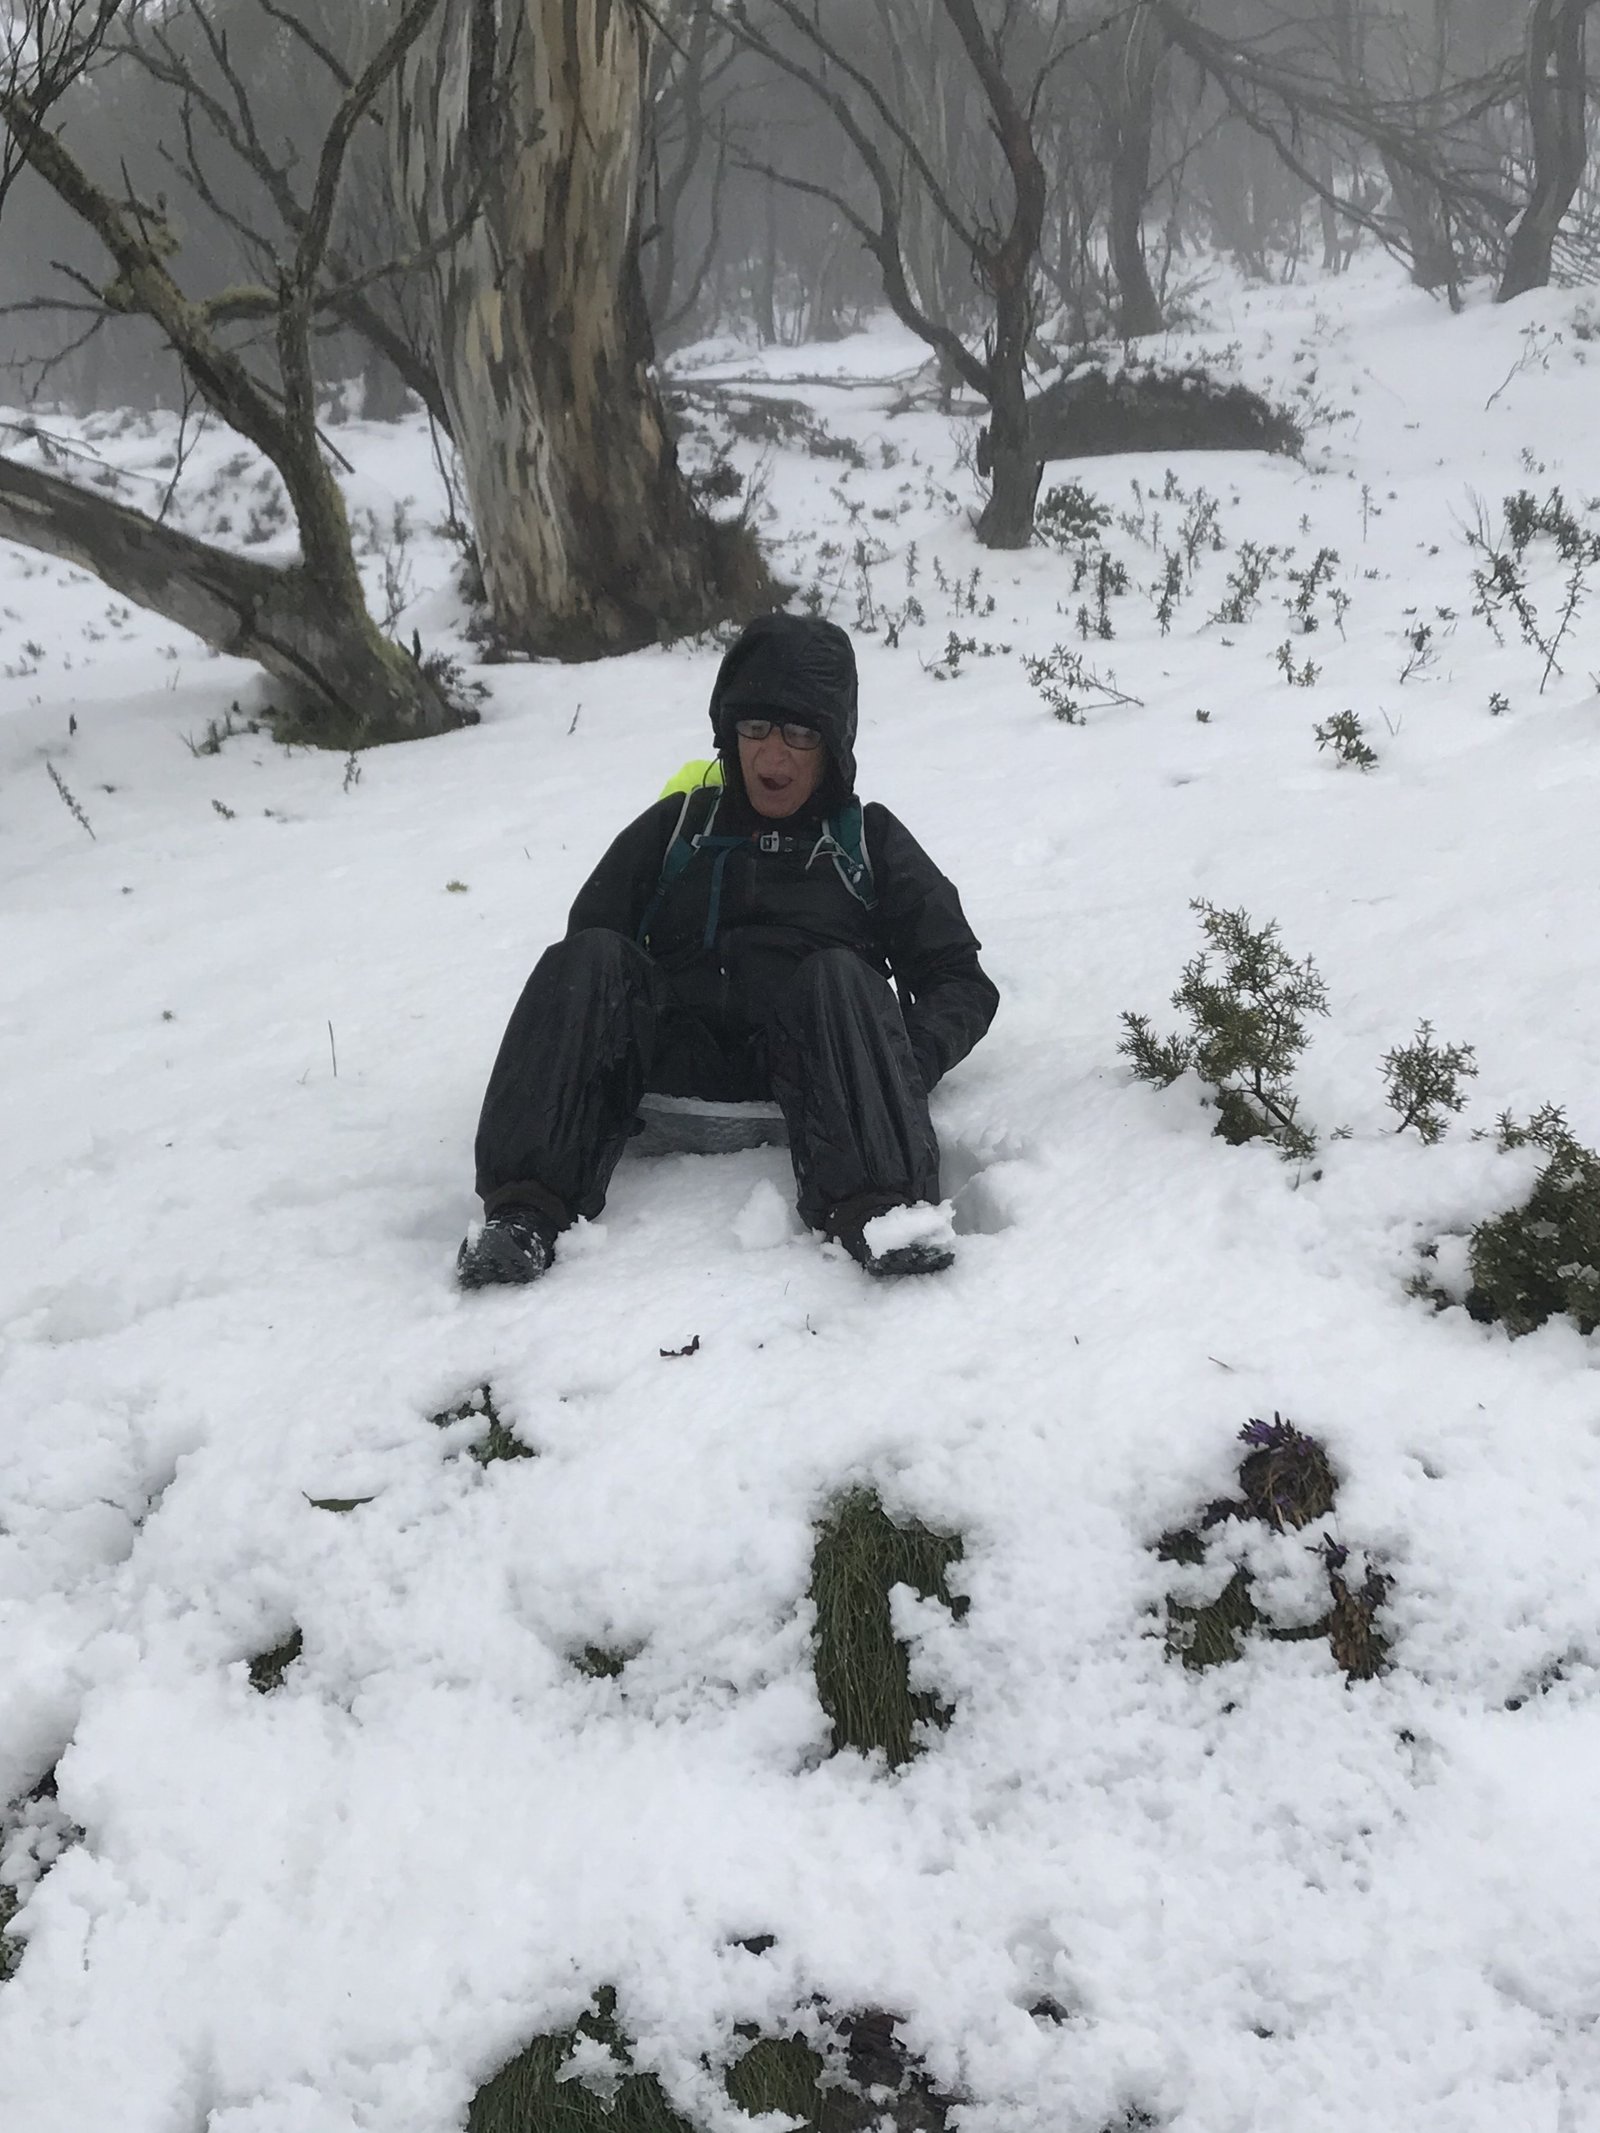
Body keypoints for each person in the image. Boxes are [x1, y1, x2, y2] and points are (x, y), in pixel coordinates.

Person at [457, 612, 999, 1287]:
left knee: (838, 974)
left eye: (801, 733)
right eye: (756, 727)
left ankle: (882, 1213)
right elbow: (585, 964)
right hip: (671, 1064)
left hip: (816, 1078)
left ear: (833, 744)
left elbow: (958, 980)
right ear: (728, 732)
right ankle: (523, 1214)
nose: (774, 755)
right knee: (588, 954)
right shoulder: (678, 826)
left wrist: (892, 1063)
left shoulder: (869, 842)